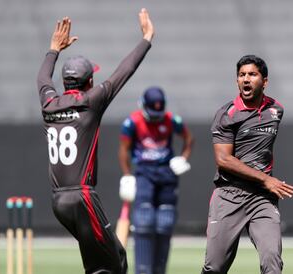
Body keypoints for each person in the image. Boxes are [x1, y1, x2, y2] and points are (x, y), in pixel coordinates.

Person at [36, 9, 154, 274]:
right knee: (112, 266)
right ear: (89, 81)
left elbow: (43, 79)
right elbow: (124, 72)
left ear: (66, 83)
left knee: (107, 260)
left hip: (58, 202)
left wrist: (53, 49)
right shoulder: (91, 102)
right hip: (82, 198)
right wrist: (146, 39)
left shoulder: (49, 103)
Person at [200, 55, 293, 274]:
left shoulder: (276, 110)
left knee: (272, 261)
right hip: (229, 196)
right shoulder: (226, 115)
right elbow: (224, 160)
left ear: (265, 81)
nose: (246, 79)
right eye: (241, 75)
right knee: (214, 267)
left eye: (252, 74)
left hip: (262, 198)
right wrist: (265, 178)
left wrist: (264, 182)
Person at [118, 86, 194, 274]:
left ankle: (159, 270)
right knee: (143, 220)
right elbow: (123, 150)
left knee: (165, 222)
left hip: (167, 173)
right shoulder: (132, 122)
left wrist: (183, 158)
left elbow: (189, 138)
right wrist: (127, 174)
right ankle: (143, 271)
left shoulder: (170, 119)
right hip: (144, 172)